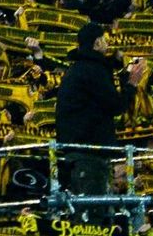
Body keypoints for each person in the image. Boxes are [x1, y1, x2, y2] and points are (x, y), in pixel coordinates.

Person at [53, 23, 145, 202]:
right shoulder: (93, 69)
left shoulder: (78, 69)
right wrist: (131, 84)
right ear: (96, 43)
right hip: (88, 153)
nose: (107, 43)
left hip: (75, 150)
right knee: (93, 213)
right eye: (103, 39)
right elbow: (115, 105)